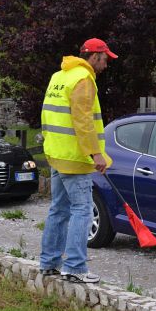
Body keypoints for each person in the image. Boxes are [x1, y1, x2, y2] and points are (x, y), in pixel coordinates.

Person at [39, 37, 117, 284]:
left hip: (57, 154)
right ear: (94, 57)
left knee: (58, 210)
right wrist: (95, 154)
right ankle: (75, 267)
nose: (106, 65)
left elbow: (47, 114)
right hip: (75, 158)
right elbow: (82, 121)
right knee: (82, 211)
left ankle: (49, 263)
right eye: (105, 59)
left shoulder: (59, 76)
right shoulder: (83, 79)